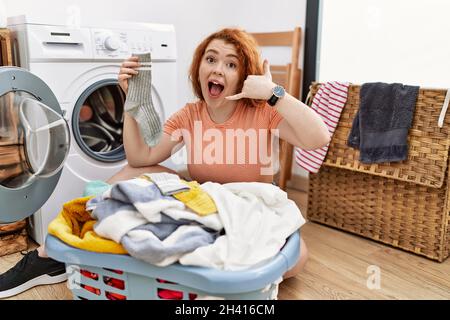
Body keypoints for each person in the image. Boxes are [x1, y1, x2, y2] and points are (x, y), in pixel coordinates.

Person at [0, 28, 330, 298]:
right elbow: (141, 158)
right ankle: (51, 254)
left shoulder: (263, 111)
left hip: (249, 208)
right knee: (130, 174)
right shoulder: (190, 114)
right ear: (198, 68)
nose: (217, 68)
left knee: (296, 259)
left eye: (231, 64)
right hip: (207, 203)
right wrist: (130, 102)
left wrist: (275, 93)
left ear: (245, 75)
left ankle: (204, 274)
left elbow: (318, 138)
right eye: (211, 59)